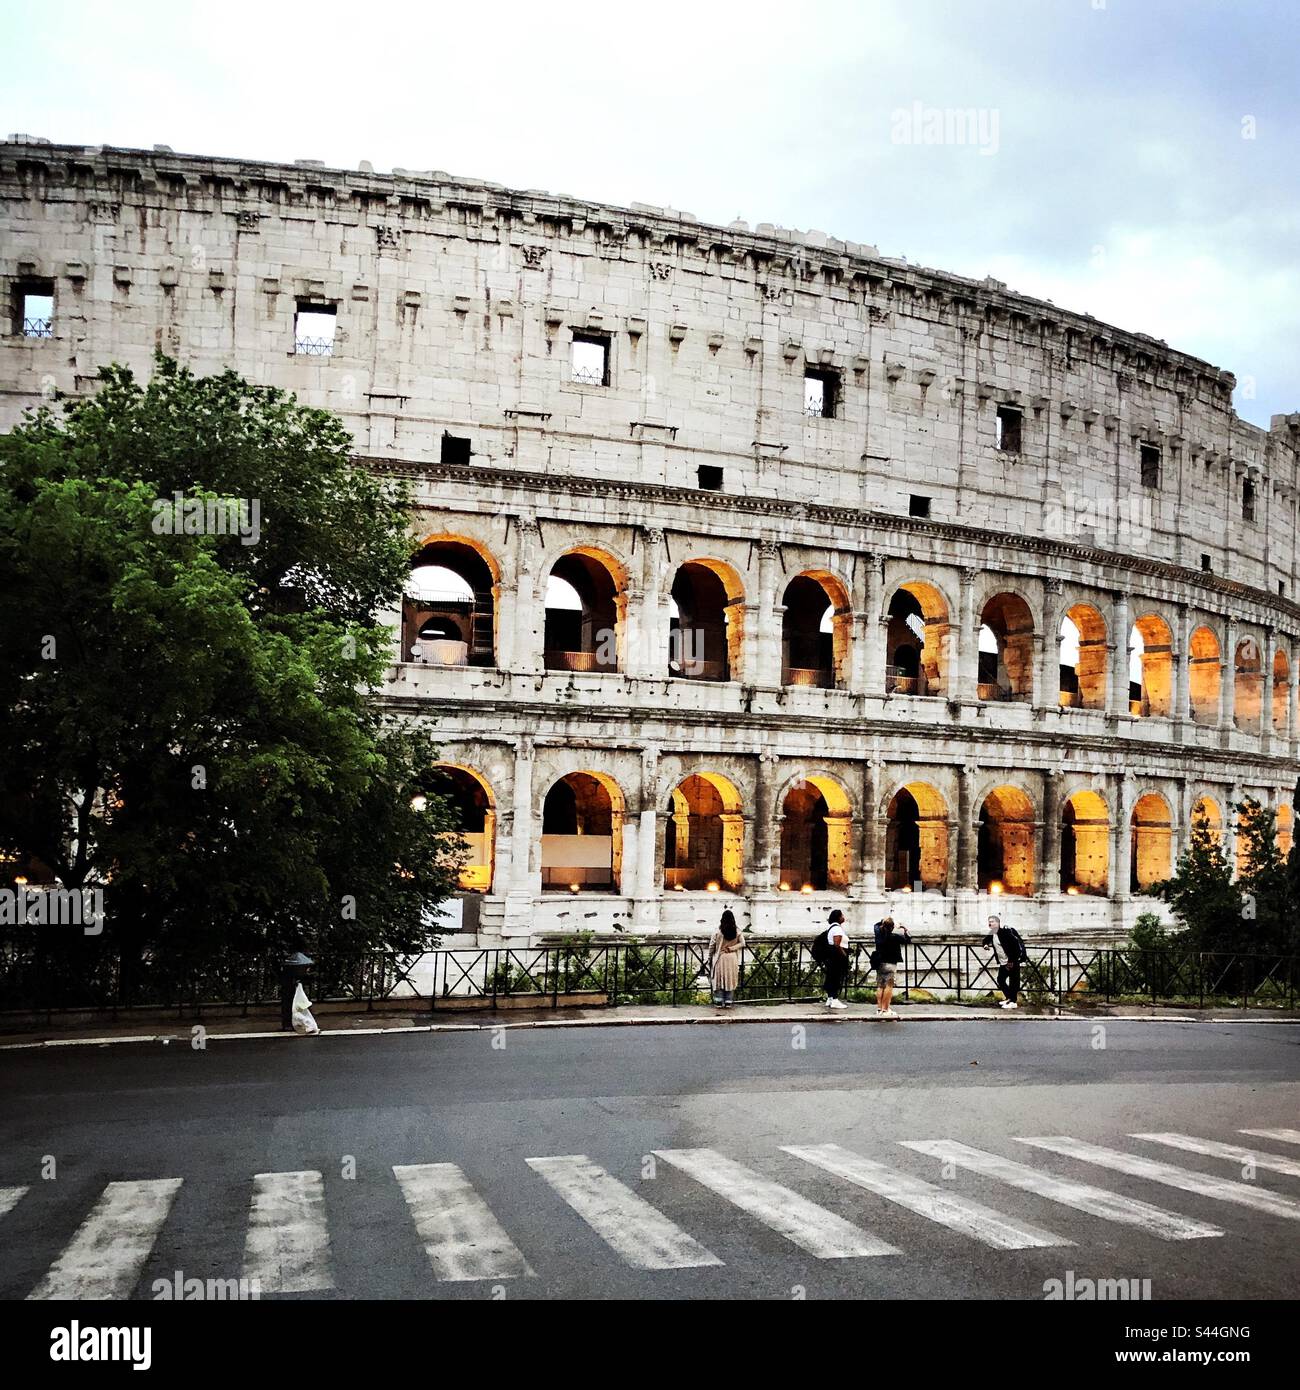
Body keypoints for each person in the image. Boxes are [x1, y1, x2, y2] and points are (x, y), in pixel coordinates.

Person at [982, 914, 1028, 1009]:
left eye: (992, 921)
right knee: (1001, 980)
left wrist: (1011, 961)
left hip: (1012, 961)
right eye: (989, 922)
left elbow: (1015, 946)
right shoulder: (992, 933)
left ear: (998, 923)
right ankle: (1009, 998)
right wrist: (985, 945)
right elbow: (985, 940)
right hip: (1003, 962)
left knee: (1013, 981)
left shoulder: (1005, 933)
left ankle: (1013, 1001)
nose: (990, 923)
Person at [872, 916, 910, 1020]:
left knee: (880, 986)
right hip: (891, 964)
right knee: (888, 986)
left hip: (880, 963)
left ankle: (879, 1009)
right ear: (892, 927)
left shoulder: (878, 935)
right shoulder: (895, 937)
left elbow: (876, 926)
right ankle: (885, 1009)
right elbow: (908, 940)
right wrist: (904, 929)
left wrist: (883, 920)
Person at [707, 909, 745, 1008]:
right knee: (730, 978)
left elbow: (712, 946)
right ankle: (729, 1001)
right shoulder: (737, 931)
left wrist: (709, 958)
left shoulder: (718, 932)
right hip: (732, 958)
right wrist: (732, 948)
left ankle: (719, 1001)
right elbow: (742, 943)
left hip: (721, 957)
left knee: (719, 979)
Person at [822, 909, 850, 1010]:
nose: (844, 917)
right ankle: (834, 999)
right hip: (836, 956)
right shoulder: (837, 929)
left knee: (831, 976)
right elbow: (837, 944)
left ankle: (830, 998)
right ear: (838, 917)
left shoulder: (831, 927)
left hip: (830, 955)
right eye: (842, 915)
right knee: (836, 977)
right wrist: (843, 954)